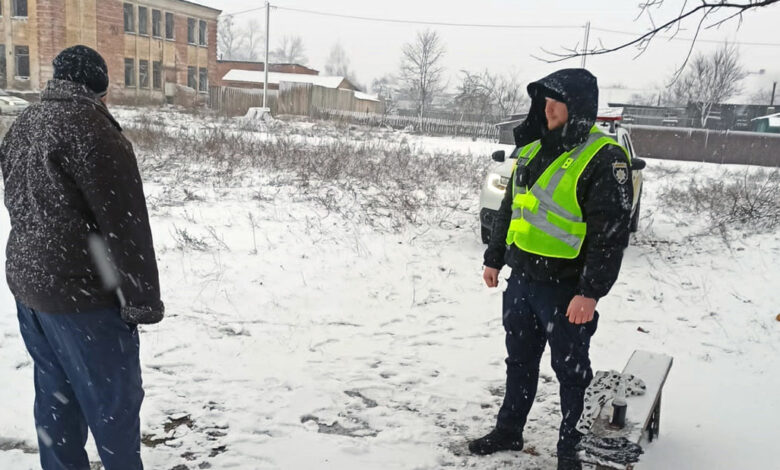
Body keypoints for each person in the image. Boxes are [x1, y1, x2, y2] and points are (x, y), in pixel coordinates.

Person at [0, 45, 163, 470]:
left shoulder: (25, 123)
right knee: (113, 403)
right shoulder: (95, 133)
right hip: (82, 297)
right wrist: (142, 301)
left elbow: (20, 200)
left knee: (56, 393)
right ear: (100, 88)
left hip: (30, 286)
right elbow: (126, 228)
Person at [468, 68, 633, 470]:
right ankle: (509, 429)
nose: (548, 108)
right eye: (544, 100)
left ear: (577, 106)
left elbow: (610, 234)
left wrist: (590, 292)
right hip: (522, 279)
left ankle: (569, 453)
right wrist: (494, 258)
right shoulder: (531, 149)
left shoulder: (604, 157)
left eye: (556, 101)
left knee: (571, 374)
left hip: (565, 289)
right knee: (519, 361)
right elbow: (510, 207)